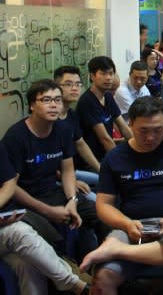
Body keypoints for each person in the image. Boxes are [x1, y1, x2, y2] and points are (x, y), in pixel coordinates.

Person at [80, 96, 163, 293]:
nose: (151, 137)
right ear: (130, 124)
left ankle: (119, 251)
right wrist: (126, 224)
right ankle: (127, 251)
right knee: (103, 278)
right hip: (132, 227)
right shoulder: (115, 158)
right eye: (143, 131)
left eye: (158, 130)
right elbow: (103, 205)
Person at [3, 80, 103, 258]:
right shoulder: (15, 137)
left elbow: (67, 170)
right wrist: (47, 210)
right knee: (53, 237)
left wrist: (72, 200)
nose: (53, 105)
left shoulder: (63, 129)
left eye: (57, 100)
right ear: (32, 105)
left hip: (53, 190)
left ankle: (99, 265)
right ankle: (68, 273)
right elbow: (11, 186)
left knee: (100, 215)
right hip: (26, 198)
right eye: (46, 100)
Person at [0, 144, 90, 294]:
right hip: (10, 232)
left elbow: (9, 183)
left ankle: (72, 280)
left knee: (27, 264)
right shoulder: (16, 137)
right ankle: (75, 284)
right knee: (18, 231)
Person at [54, 66, 102, 192]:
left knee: (107, 180)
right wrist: (72, 182)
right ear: (56, 86)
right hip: (54, 178)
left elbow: (80, 144)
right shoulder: (50, 119)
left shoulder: (71, 114)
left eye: (78, 84)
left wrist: (100, 169)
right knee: (93, 199)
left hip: (70, 171)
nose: (75, 88)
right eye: (68, 84)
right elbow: (45, 166)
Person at [76, 56, 133, 162]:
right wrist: (120, 163)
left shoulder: (108, 96)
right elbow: (105, 139)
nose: (108, 78)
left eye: (111, 73)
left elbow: (123, 127)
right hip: (93, 160)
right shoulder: (87, 101)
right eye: (103, 73)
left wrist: (137, 147)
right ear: (92, 76)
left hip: (106, 155)